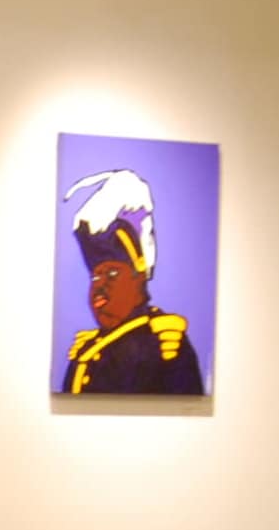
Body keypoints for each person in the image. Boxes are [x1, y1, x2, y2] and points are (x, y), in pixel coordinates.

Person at [57, 167, 205, 397]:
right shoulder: (86, 349)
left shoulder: (164, 343)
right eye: (95, 276)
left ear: (139, 277)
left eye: (112, 274)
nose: (99, 286)